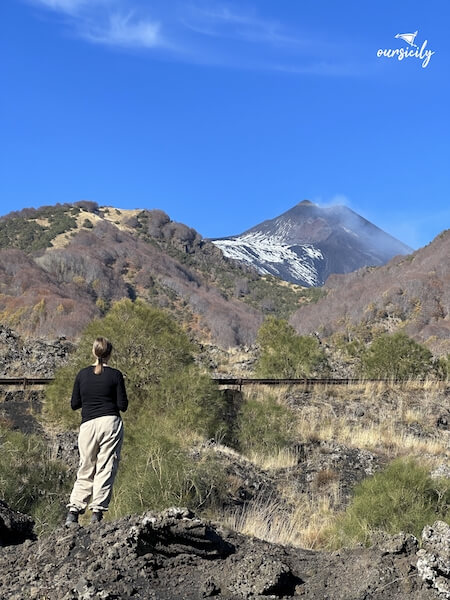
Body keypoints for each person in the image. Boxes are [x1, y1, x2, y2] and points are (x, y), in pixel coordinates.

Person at [65, 337, 128, 526]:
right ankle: (97, 513)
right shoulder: (116, 375)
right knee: (105, 466)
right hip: (110, 422)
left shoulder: (82, 374)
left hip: (88, 425)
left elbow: (74, 404)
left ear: (94, 352)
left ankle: (73, 511)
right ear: (110, 354)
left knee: (86, 466)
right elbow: (122, 405)